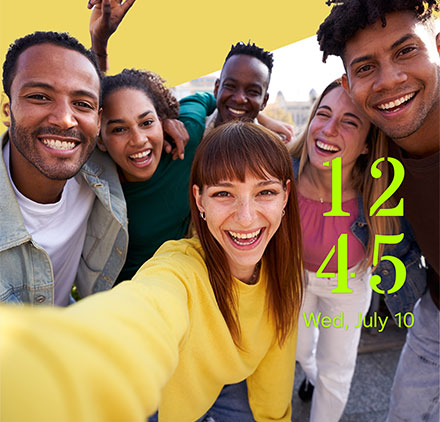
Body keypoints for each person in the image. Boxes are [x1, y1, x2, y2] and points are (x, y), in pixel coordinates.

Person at [1, 121, 304, 422]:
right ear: (200, 200)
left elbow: (274, 386)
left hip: (215, 388)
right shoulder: (179, 270)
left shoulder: (284, 274)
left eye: (265, 192)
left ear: (286, 196)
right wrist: (49, 367)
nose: (246, 217)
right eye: (224, 194)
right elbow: (142, 313)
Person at [318, 1, 439, 420]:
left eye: (406, 51)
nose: (390, 79)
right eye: (366, 67)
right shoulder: (373, 152)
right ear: (348, 83)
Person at [289, 79, 426, 421]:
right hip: (295, 279)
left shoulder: (380, 192)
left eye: (350, 122)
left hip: (348, 285)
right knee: (302, 350)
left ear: (367, 145)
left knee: (337, 368)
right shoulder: (282, 172)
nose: (329, 129)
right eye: (323, 114)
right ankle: (311, 378)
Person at [0, 31, 128, 306]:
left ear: (98, 119)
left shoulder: (99, 167)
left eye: (82, 105)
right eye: (40, 97)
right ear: (7, 111)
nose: (65, 120)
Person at [87, 0, 295, 143]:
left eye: (252, 92)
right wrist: (99, 42)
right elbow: (110, 111)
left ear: (265, 100)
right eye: (230, 86)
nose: (240, 99)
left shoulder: (274, 149)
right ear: (217, 88)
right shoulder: (187, 131)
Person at [98, 69, 216, 282]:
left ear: (162, 120)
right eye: (119, 130)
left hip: (188, 287)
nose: (138, 139)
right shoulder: (92, 186)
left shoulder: (186, 139)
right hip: (127, 301)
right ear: (99, 139)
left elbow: (206, 98)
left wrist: (264, 118)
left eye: (146, 122)